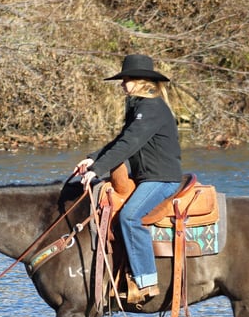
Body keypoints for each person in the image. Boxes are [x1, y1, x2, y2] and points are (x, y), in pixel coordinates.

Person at [74, 54, 183, 301]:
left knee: (130, 217)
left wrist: (98, 170)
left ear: (143, 81)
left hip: (162, 179)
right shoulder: (140, 107)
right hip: (147, 176)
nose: (123, 83)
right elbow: (121, 140)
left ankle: (146, 282)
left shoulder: (151, 107)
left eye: (128, 79)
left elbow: (130, 143)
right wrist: (92, 159)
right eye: (123, 79)